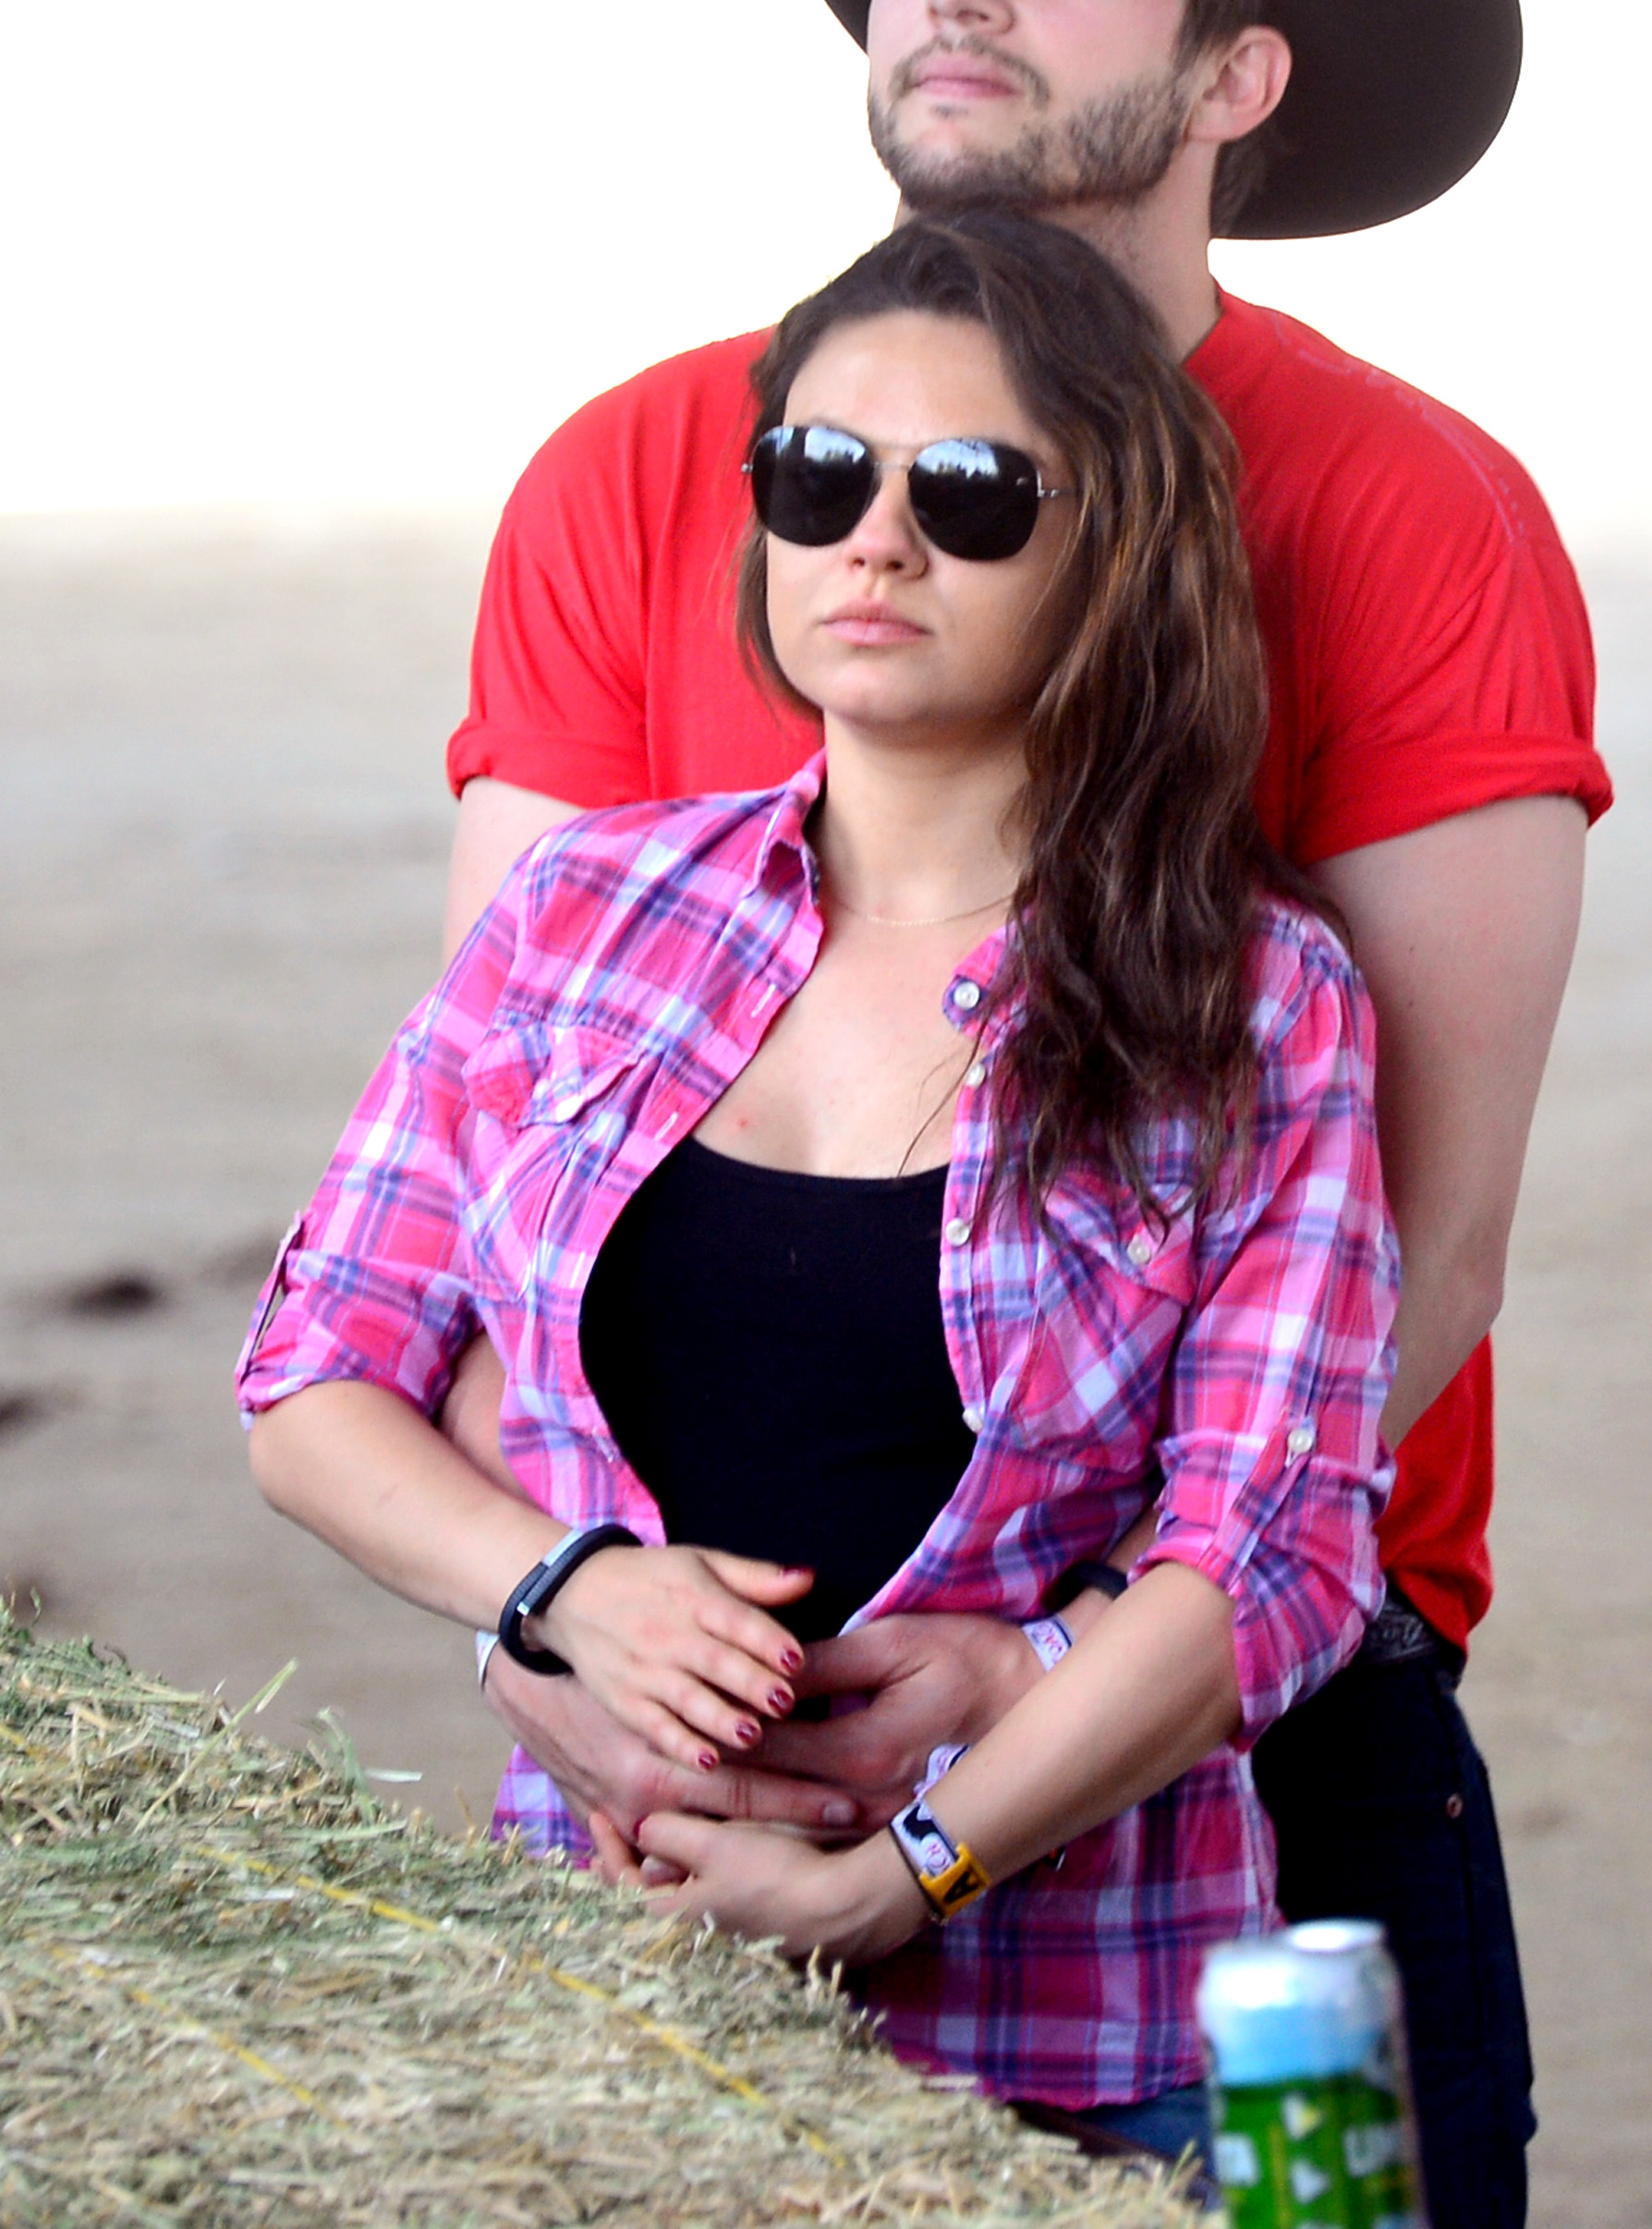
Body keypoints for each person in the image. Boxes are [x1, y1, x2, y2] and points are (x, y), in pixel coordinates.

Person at [437, 0, 1612, 2222]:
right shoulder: (639, 479)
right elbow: (500, 1162)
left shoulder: (1412, 520)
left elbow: (1423, 1235)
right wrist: (583, 1629)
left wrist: (1048, 1661)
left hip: (1232, 1717)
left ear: (1233, 78)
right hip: (678, 1722)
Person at [238, 213, 1397, 2150]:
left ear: (1113, 553)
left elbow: (1269, 1557)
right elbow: (314, 1375)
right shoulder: (586, 914)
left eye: (967, 493)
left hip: (1074, 2057)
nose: (874, 537)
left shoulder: (1256, 998)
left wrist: (900, 1879)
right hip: (603, 2017)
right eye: (817, 473)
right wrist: (560, 1593)